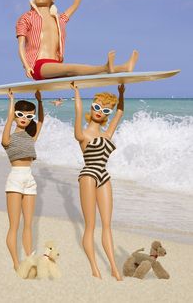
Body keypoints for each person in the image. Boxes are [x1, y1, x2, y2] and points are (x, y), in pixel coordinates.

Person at [16, 0, 139, 80]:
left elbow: (75, 5)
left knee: (80, 73)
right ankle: (106, 67)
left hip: (56, 64)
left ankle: (124, 67)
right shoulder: (26, 17)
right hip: (37, 66)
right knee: (72, 68)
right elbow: (21, 45)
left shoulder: (59, 20)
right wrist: (26, 66)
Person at [71, 82, 125, 280]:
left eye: (104, 110)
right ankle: (94, 267)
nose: (99, 112)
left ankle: (113, 267)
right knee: (90, 225)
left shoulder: (107, 133)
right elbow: (77, 111)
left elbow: (119, 112)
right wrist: (77, 92)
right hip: (88, 175)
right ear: (91, 107)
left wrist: (121, 93)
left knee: (107, 225)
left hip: (104, 175)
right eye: (96, 107)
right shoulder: (82, 134)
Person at [1, 89, 44, 272]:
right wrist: (12, 100)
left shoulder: (31, 138)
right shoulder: (7, 140)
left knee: (28, 224)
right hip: (15, 179)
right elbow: (10, 119)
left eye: (28, 116)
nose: (24, 118)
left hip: (30, 179)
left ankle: (29, 259)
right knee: (14, 225)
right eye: (20, 115)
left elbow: (41, 121)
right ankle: (16, 263)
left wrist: (40, 101)